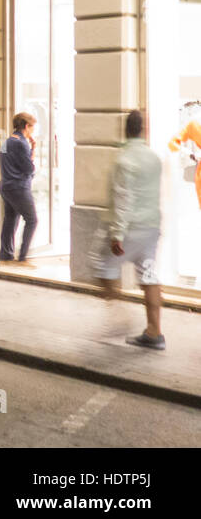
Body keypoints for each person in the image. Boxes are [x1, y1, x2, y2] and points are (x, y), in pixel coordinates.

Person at [93, 111, 166, 350]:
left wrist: (117, 234)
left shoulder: (124, 160)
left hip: (130, 229)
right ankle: (154, 332)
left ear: (125, 129)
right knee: (148, 276)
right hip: (151, 227)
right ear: (143, 130)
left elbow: (123, 199)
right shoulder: (154, 158)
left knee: (103, 268)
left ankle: (120, 316)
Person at [0, 111, 38, 267]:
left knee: (10, 220)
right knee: (32, 220)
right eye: (32, 127)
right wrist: (33, 150)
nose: (33, 131)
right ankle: (22, 258)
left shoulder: (6, 141)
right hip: (19, 187)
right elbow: (29, 168)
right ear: (27, 126)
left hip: (6, 186)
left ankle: (6, 257)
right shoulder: (21, 144)